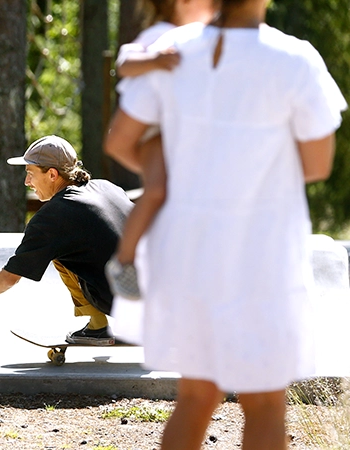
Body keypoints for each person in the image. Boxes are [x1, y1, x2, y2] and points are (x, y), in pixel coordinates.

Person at [104, 0, 345, 447]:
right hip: (263, 249)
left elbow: (120, 141)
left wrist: (178, 175)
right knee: (266, 403)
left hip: (187, 246)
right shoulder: (295, 59)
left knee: (195, 396)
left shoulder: (170, 50)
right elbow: (317, 164)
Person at [0, 135, 133, 345]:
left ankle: (97, 325)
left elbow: (8, 278)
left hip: (129, 303)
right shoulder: (107, 187)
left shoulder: (53, 216)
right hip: (162, 294)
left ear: (53, 174)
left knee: (60, 253)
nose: (26, 182)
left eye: (30, 174)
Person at [106, 0, 216, 299]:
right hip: (152, 131)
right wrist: (154, 60)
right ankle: (124, 261)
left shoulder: (204, 37)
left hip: (177, 130)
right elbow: (124, 64)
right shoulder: (161, 33)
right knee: (156, 190)